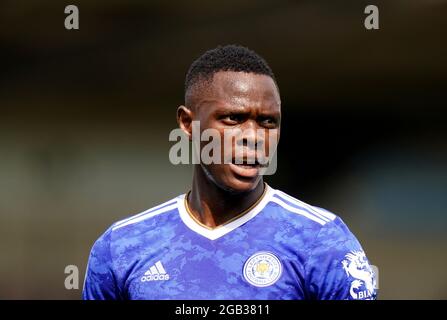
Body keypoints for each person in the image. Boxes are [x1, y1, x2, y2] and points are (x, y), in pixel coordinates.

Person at [83, 45, 377, 300]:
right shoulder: (122, 247)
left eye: (268, 122)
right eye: (234, 118)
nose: (254, 136)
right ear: (188, 123)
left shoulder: (321, 241)